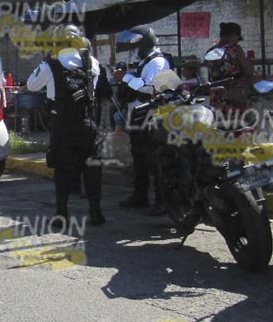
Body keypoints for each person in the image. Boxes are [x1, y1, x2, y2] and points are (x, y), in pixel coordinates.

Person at [26, 24, 112, 231]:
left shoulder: (50, 64)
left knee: (62, 170)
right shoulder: (92, 62)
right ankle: (96, 213)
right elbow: (100, 89)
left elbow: (31, 86)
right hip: (87, 124)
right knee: (92, 169)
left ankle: (62, 214)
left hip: (62, 125)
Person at [115, 25, 170, 214]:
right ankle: (140, 196)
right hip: (137, 115)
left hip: (151, 116)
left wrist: (126, 78)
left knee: (155, 159)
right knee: (139, 158)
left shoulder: (158, 62)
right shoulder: (144, 60)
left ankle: (163, 201)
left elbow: (151, 88)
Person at [208, 22, 259, 108]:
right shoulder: (235, 50)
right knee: (235, 120)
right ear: (234, 35)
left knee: (219, 120)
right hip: (234, 94)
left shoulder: (210, 51)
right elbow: (248, 70)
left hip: (216, 95)